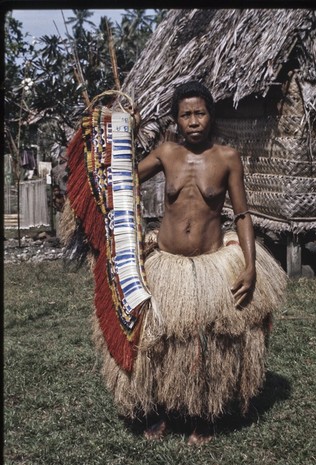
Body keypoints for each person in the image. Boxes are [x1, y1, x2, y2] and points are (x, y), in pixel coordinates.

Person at [63, 81, 287, 446]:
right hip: (167, 262)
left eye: (200, 113)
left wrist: (250, 264)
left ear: (211, 116)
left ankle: (203, 416)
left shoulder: (228, 157)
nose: (194, 121)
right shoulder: (166, 153)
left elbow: (243, 214)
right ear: (176, 120)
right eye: (186, 115)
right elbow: (122, 181)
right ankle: (165, 411)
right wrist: (122, 138)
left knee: (209, 343)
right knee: (163, 341)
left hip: (210, 262)